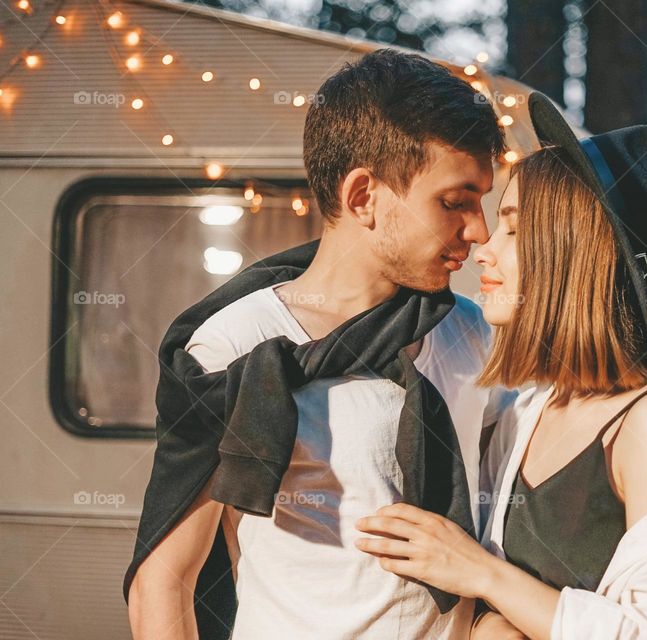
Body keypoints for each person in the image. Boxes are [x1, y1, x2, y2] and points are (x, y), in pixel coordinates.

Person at [355, 91, 647, 639]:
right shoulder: (526, 410)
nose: (484, 245)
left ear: (572, 250)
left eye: (513, 227)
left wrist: (482, 573)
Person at [125, 49, 517, 640]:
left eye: (482, 202)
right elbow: (165, 579)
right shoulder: (239, 343)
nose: (479, 229)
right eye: (455, 201)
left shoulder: (476, 335)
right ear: (362, 195)